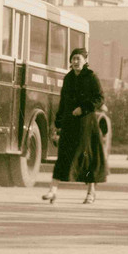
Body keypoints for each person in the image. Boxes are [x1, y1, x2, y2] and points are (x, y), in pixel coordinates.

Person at [43, 48, 108, 204]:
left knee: (88, 157)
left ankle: (91, 192)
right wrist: (58, 123)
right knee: (63, 156)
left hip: (86, 125)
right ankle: (53, 190)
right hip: (69, 124)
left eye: (78, 58)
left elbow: (100, 98)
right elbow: (63, 102)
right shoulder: (68, 78)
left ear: (85, 61)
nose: (76, 61)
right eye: (73, 59)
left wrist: (83, 109)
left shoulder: (91, 77)